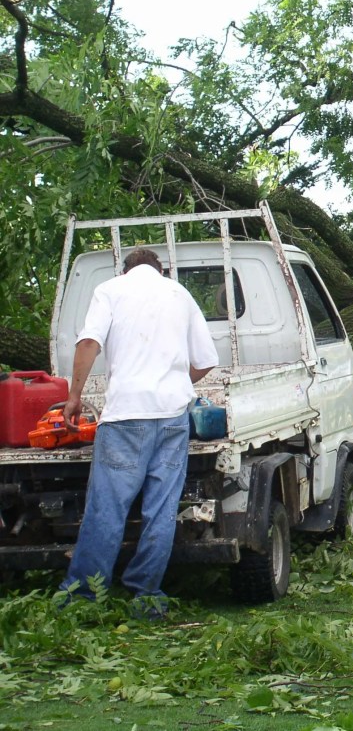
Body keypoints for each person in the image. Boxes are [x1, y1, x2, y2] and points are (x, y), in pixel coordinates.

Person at [59, 247, 219, 615]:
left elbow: (88, 343)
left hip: (126, 416)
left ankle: (83, 599)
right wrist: (177, 380)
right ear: (159, 270)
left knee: (107, 508)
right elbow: (207, 361)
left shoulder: (111, 290)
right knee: (160, 510)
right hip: (172, 416)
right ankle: (146, 597)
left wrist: (75, 396)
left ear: (126, 268)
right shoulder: (180, 295)